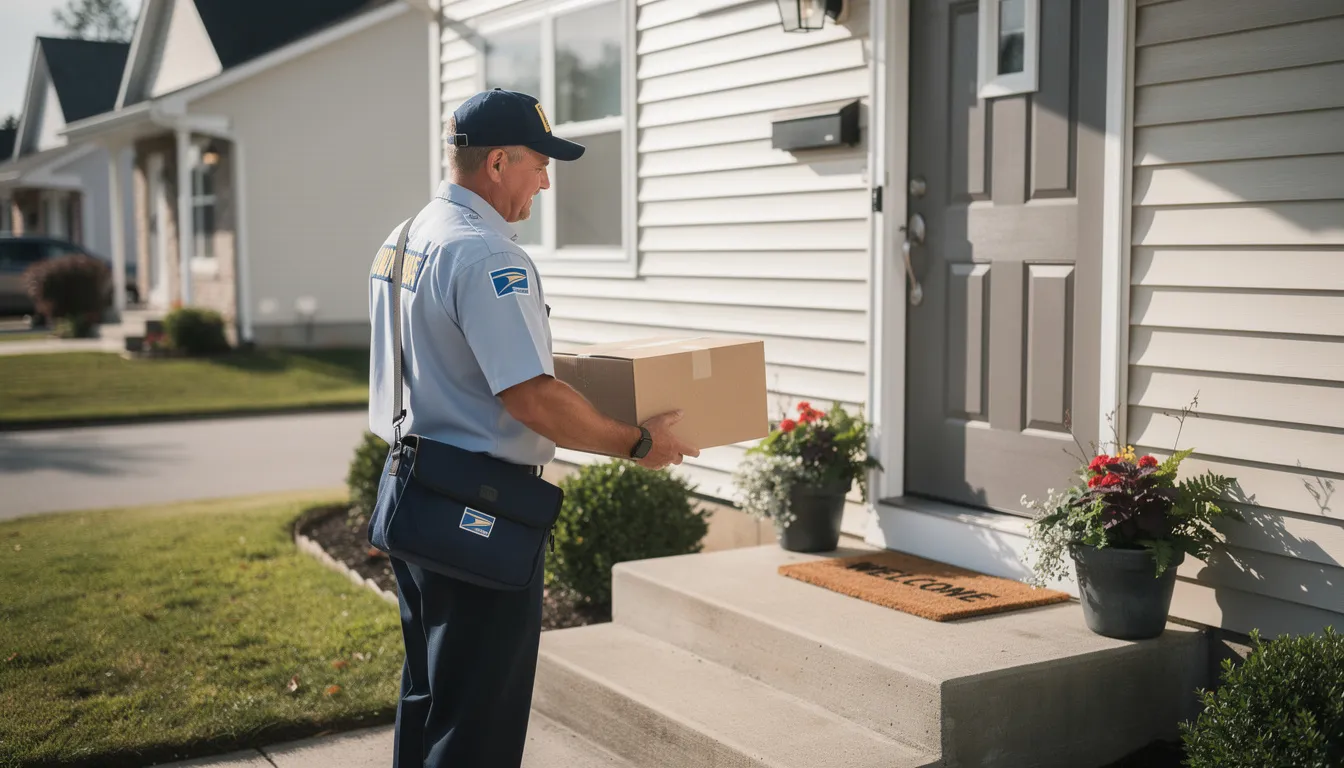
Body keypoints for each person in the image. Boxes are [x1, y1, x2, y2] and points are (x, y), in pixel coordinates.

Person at [366, 87, 698, 768]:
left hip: (413, 493)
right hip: (477, 510)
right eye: (539, 163)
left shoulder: (404, 239)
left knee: (428, 697)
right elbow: (531, 398)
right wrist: (636, 442)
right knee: (478, 722)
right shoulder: (487, 256)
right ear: (495, 164)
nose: (546, 180)